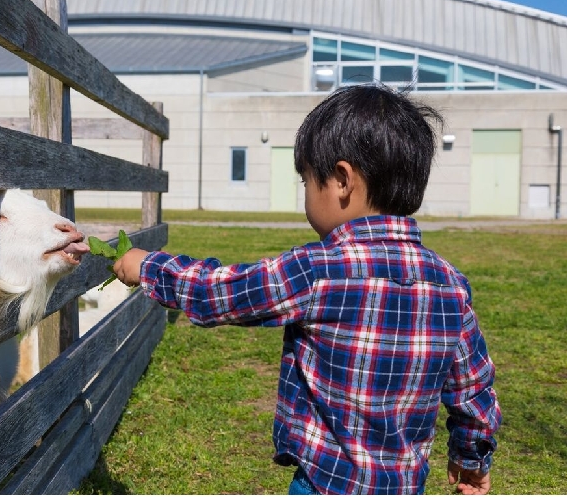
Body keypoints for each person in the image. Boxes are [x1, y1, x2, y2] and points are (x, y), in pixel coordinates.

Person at [111, 83, 502, 495]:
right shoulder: (451, 286)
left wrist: (150, 267)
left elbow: (223, 293)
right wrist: (471, 460)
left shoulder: (316, 271)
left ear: (341, 180)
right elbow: (473, 390)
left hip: (325, 483)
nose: (305, 192)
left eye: (306, 180)